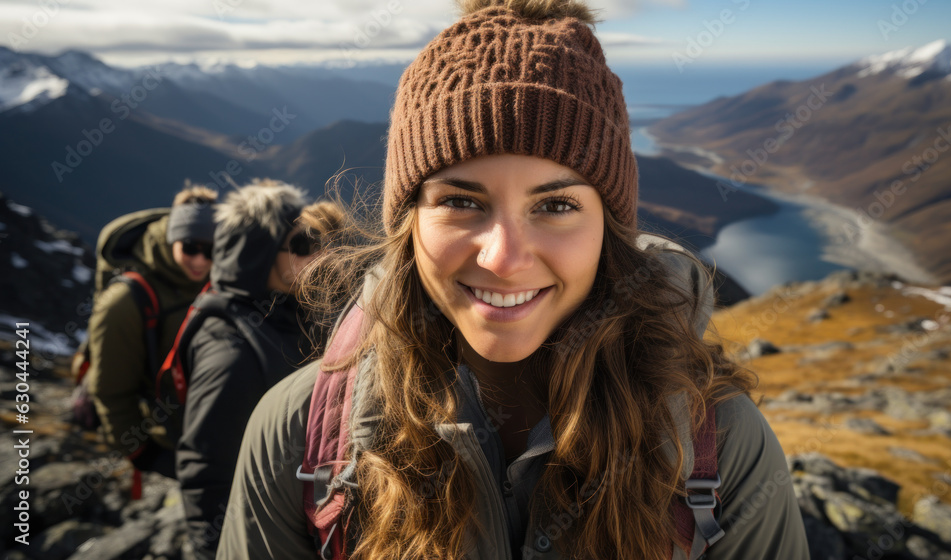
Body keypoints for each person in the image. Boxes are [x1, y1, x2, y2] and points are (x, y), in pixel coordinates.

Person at [219, 1, 809, 559]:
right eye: (460, 202)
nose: (504, 258)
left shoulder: (719, 442)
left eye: (555, 206)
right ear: (409, 222)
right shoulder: (301, 433)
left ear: (610, 229)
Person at [176, 182, 346, 559]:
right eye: (302, 245)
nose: (318, 254)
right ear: (259, 255)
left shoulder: (285, 314)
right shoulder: (230, 352)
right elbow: (205, 471)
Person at [87, 184, 217, 478]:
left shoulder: (219, 280)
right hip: (166, 443)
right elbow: (111, 391)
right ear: (172, 239)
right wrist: (143, 454)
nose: (200, 260)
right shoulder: (124, 304)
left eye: (211, 250)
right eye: (190, 248)